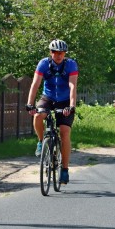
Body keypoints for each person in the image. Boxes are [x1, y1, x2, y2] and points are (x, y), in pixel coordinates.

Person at [26, 39, 78, 184]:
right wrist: (30, 104)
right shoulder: (44, 63)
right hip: (48, 97)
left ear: (64, 53)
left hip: (65, 100)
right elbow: (35, 83)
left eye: (61, 53)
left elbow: (72, 86)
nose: (59, 56)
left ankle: (65, 170)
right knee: (37, 115)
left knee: (64, 132)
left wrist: (71, 106)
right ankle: (42, 141)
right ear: (51, 53)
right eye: (55, 53)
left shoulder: (71, 64)